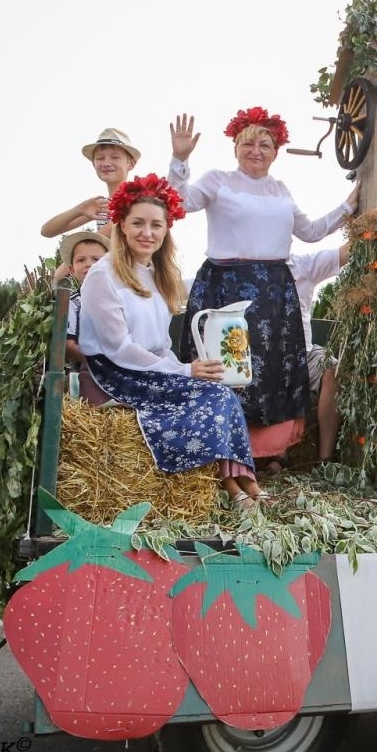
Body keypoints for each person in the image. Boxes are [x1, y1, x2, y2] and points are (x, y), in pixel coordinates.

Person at [167, 109, 357, 460]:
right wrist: (180, 158)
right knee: (229, 371)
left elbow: (311, 232)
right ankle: (225, 454)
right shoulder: (217, 180)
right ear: (235, 147)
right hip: (226, 286)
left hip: (274, 292)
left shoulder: (281, 190)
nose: (256, 150)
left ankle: (269, 453)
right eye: (248, 143)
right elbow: (177, 203)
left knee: (270, 374)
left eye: (265, 144)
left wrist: (348, 206)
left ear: (276, 151)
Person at [76, 174, 261, 507]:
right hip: (117, 371)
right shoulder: (102, 276)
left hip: (147, 365)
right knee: (213, 396)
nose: (147, 233)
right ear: (121, 225)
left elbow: (160, 343)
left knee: (221, 389)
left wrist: (178, 367)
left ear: (166, 230)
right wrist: (184, 372)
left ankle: (247, 485)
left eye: (156, 225)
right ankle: (235, 489)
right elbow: (120, 348)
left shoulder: (159, 275)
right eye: (138, 223)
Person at [290, 245, 348, 467]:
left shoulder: (302, 266)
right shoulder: (249, 268)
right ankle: (278, 456)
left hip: (306, 353)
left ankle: (326, 458)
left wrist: (354, 217)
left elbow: (345, 253)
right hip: (268, 358)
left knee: (331, 369)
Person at [40, 128, 141, 239]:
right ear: (94, 164)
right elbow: (47, 231)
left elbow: (99, 242)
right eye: (100, 158)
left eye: (115, 157)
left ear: (131, 164)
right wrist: (78, 210)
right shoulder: (102, 206)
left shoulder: (140, 200)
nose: (106, 163)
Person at [56, 230, 110, 403]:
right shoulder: (73, 303)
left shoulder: (120, 299)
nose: (89, 264)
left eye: (96, 260)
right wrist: (101, 362)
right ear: (71, 269)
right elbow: (69, 345)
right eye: (81, 260)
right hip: (85, 372)